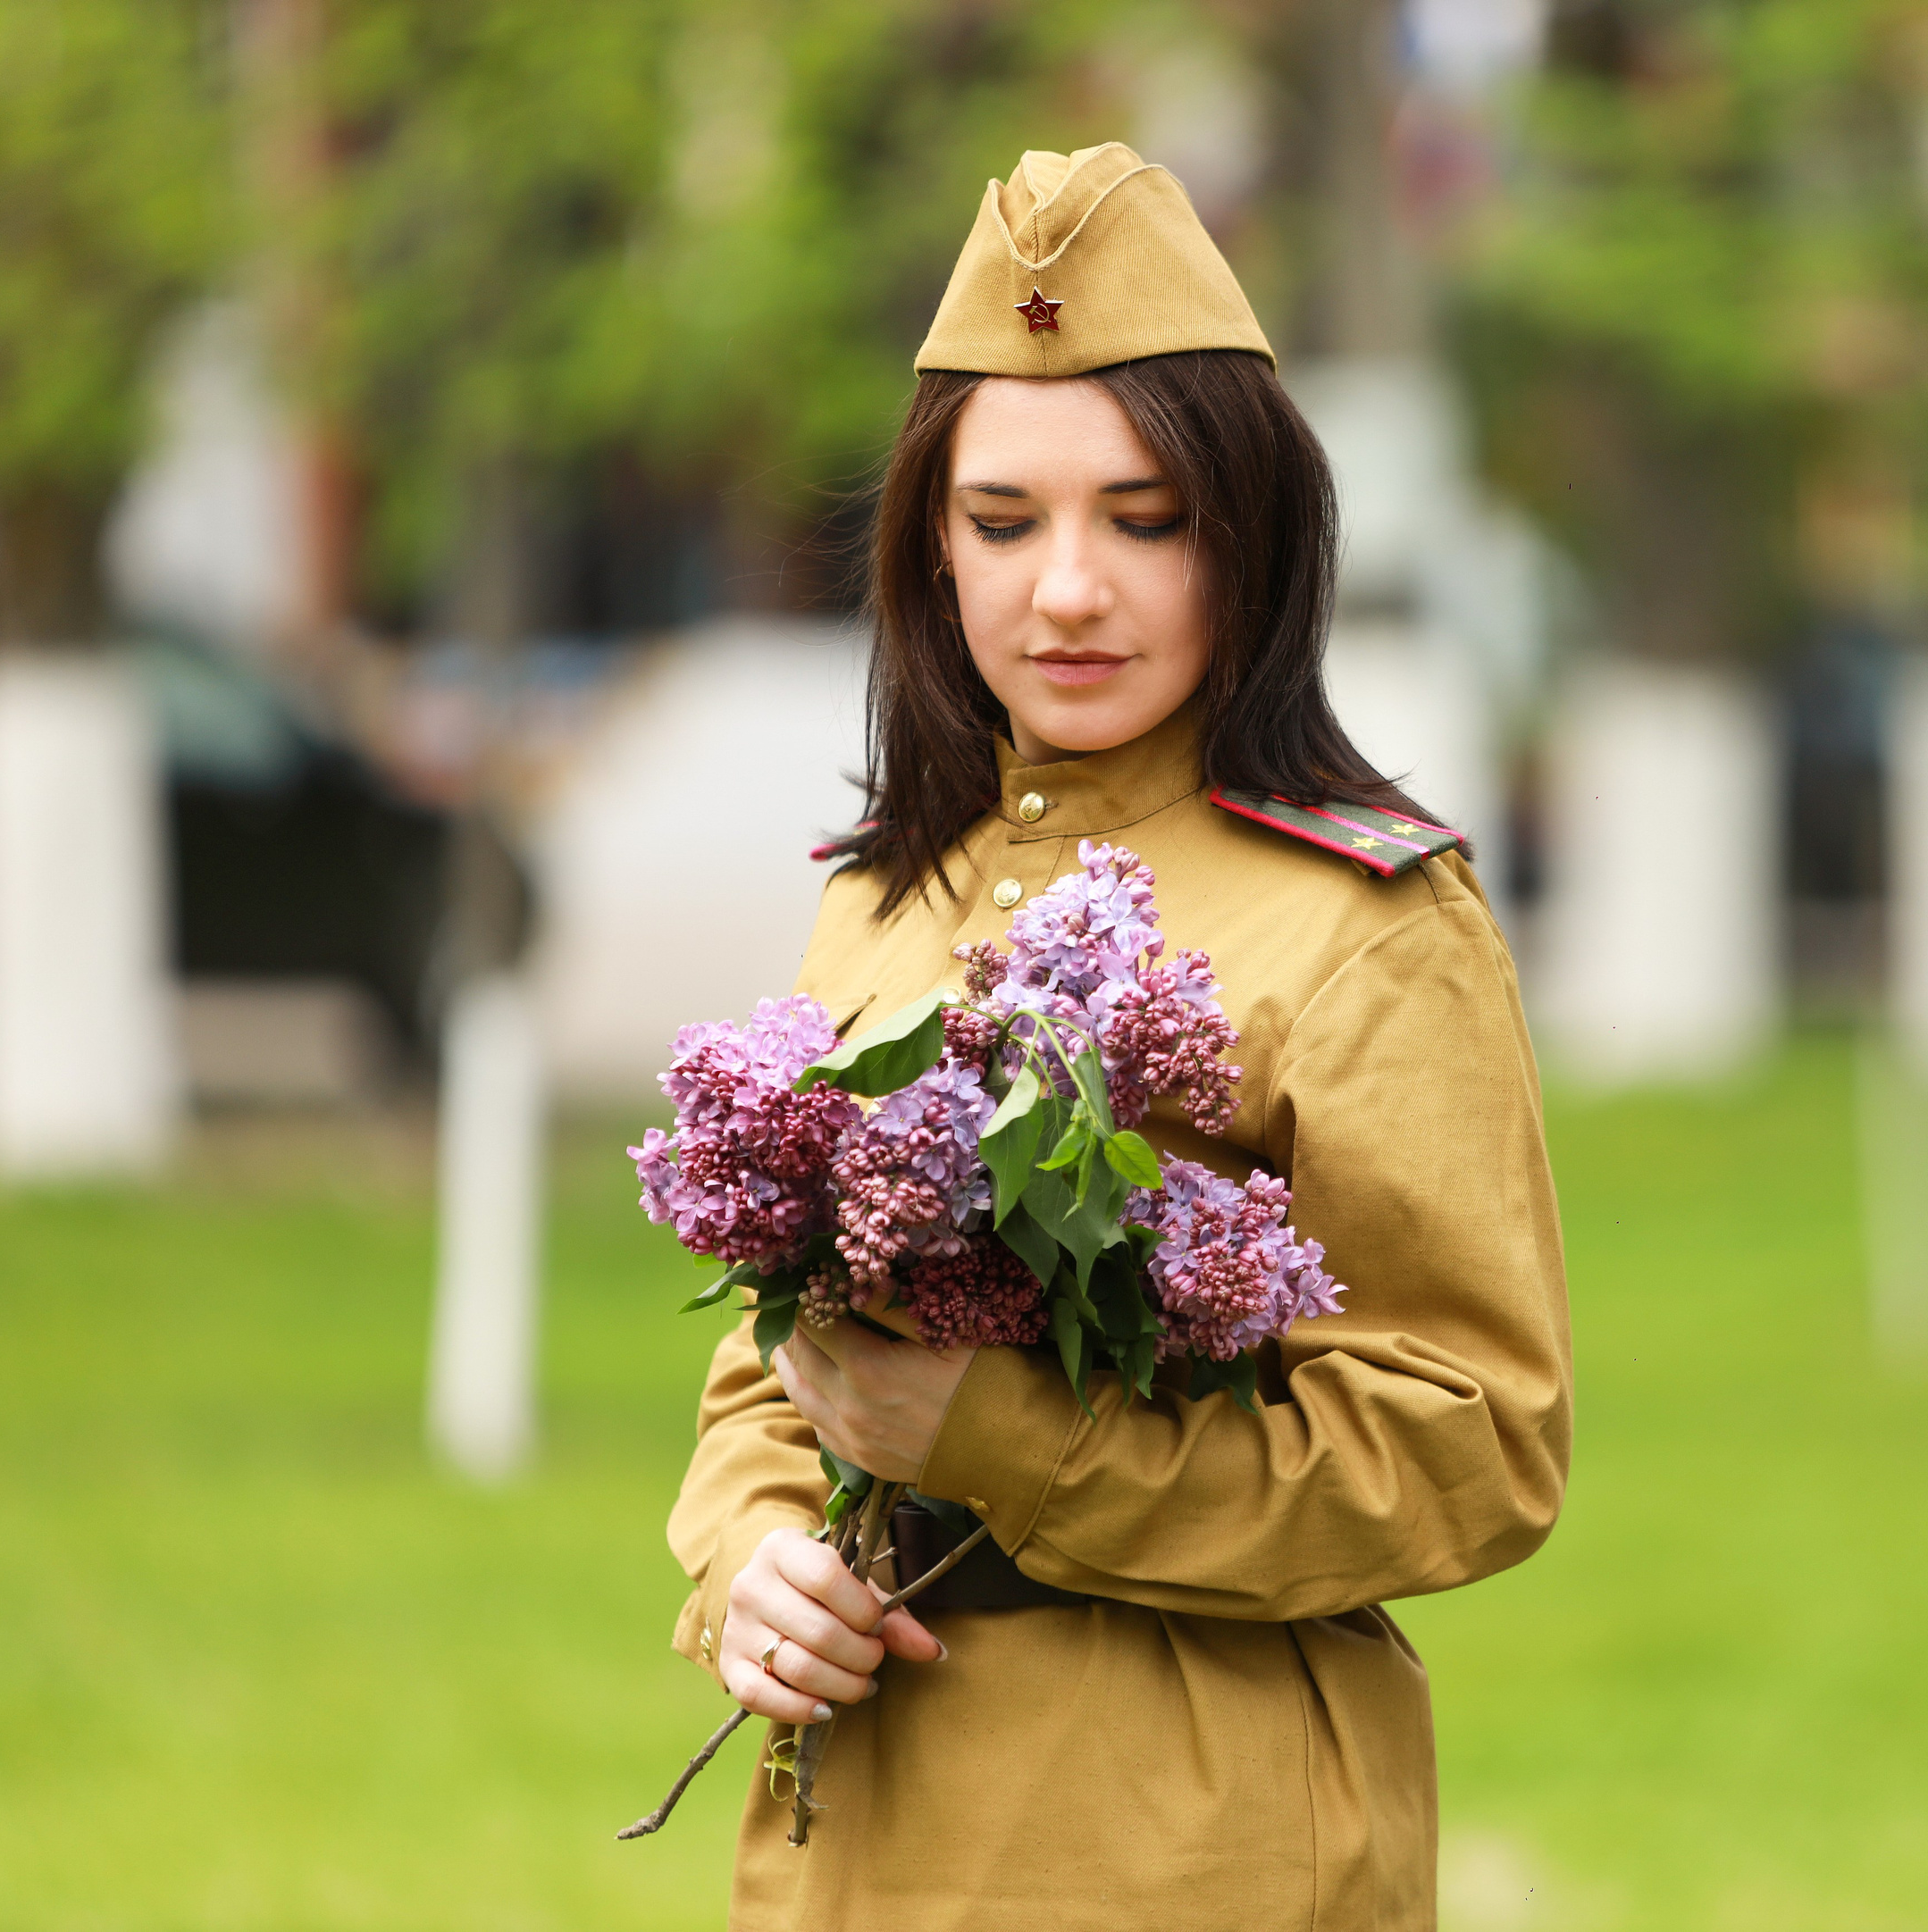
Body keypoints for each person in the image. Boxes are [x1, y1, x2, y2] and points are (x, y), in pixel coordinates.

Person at [664, 142, 1572, 1931]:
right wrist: (748, 1558)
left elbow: (1471, 1441)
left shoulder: (1368, 917)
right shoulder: (882, 889)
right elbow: (777, 1370)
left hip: (1190, 1833)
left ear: (1250, 534)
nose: (1064, 589)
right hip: (858, 1825)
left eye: (1140, 517)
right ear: (929, 541)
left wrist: (1011, 1439)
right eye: (1001, 520)